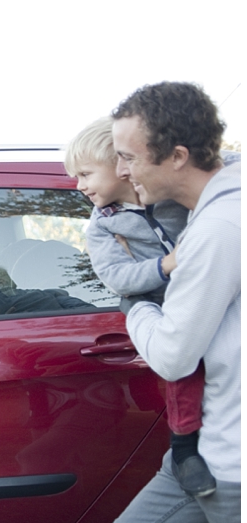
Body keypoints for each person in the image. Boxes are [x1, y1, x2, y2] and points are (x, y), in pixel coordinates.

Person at [90, 82, 241, 523]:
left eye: (129, 157)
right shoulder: (214, 214)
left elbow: (174, 356)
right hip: (203, 448)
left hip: (233, 464)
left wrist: (137, 308)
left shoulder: (219, 228)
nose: (123, 170)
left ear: (177, 156)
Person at [65, 115, 215, 498]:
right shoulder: (102, 226)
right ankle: (184, 449)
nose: (79, 185)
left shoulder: (171, 197)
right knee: (182, 368)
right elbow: (117, 277)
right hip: (165, 305)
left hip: (211, 292)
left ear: (120, 166)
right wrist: (165, 266)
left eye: (85, 174)